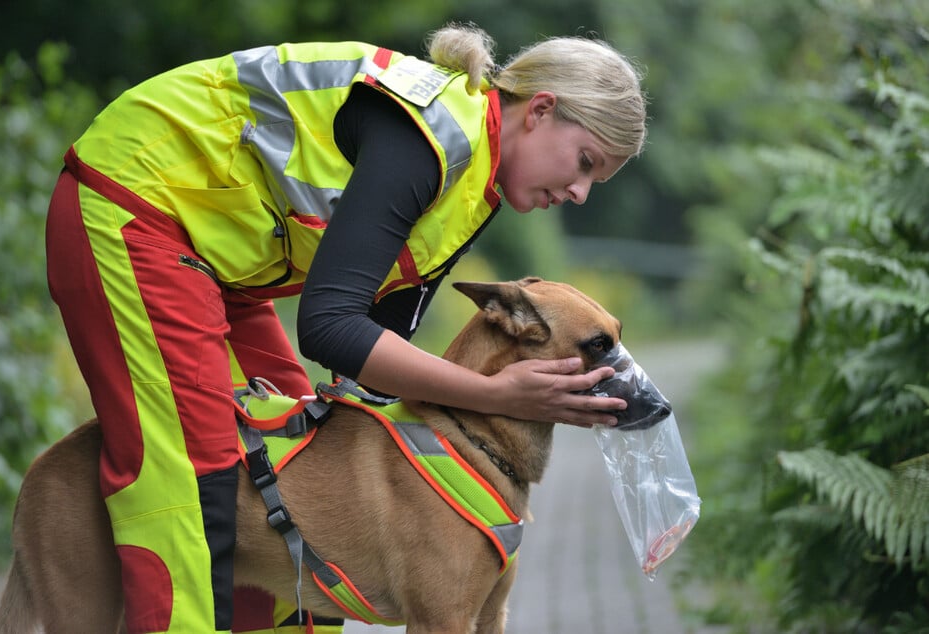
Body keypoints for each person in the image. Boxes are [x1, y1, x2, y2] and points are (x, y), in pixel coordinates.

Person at [45, 22, 647, 634]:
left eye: (595, 182)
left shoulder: (475, 184)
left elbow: (371, 358)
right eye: (584, 163)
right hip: (135, 206)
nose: (578, 193)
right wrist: (496, 395)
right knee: (197, 477)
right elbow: (330, 328)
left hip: (221, 262)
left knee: (299, 469)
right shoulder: (430, 139)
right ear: (540, 111)